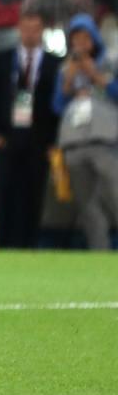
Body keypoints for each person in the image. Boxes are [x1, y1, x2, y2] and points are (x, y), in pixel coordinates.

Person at [0, 12, 61, 248]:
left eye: (35, 29)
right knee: (4, 191)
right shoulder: (3, 59)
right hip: (7, 138)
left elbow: (56, 108)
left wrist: (53, 142)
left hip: (39, 140)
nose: (30, 34)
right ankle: (0, 244)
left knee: (34, 194)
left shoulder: (54, 63)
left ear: (42, 31)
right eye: (26, 29)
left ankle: (29, 244)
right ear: (19, 29)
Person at [53, 14, 118, 250]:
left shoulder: (111, 60)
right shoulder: (65, 69)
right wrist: (69, 81)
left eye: (85, 37)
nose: (80, 43)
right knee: (86, 204)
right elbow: (57, 105)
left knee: (115, 195)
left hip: (105, 140)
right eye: (75, 38)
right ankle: (100, 252)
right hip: (74, 143)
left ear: (94, 38)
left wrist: (96, 75)